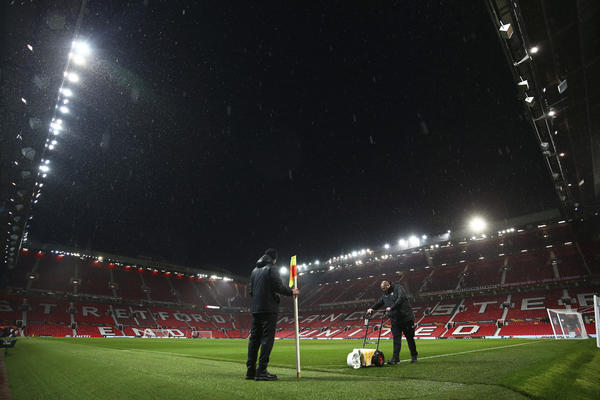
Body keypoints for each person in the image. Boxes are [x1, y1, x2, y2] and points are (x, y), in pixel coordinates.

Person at [246, 248, 299, 381]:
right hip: (269, 309)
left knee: (254, 340)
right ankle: (262, 371)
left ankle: (250, 371)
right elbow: (278, 287)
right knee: (266, 340)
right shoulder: (271, 268)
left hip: (256, 310)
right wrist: (292, 292)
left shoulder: (254, 271)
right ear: (274, 259)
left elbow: (251, 292)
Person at [367, 280, 418, 364]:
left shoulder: (398, 288)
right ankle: (395, 358)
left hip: (406, 318)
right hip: (395, 320)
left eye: (383, 288)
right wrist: (372, 308)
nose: (382, 290)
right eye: (382, 289)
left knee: (410, 338)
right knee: (396, 340)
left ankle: (414, 356)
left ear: (387, 286)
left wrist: (391, 307)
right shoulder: (385, 294)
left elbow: (401, 299)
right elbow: (379, 302)